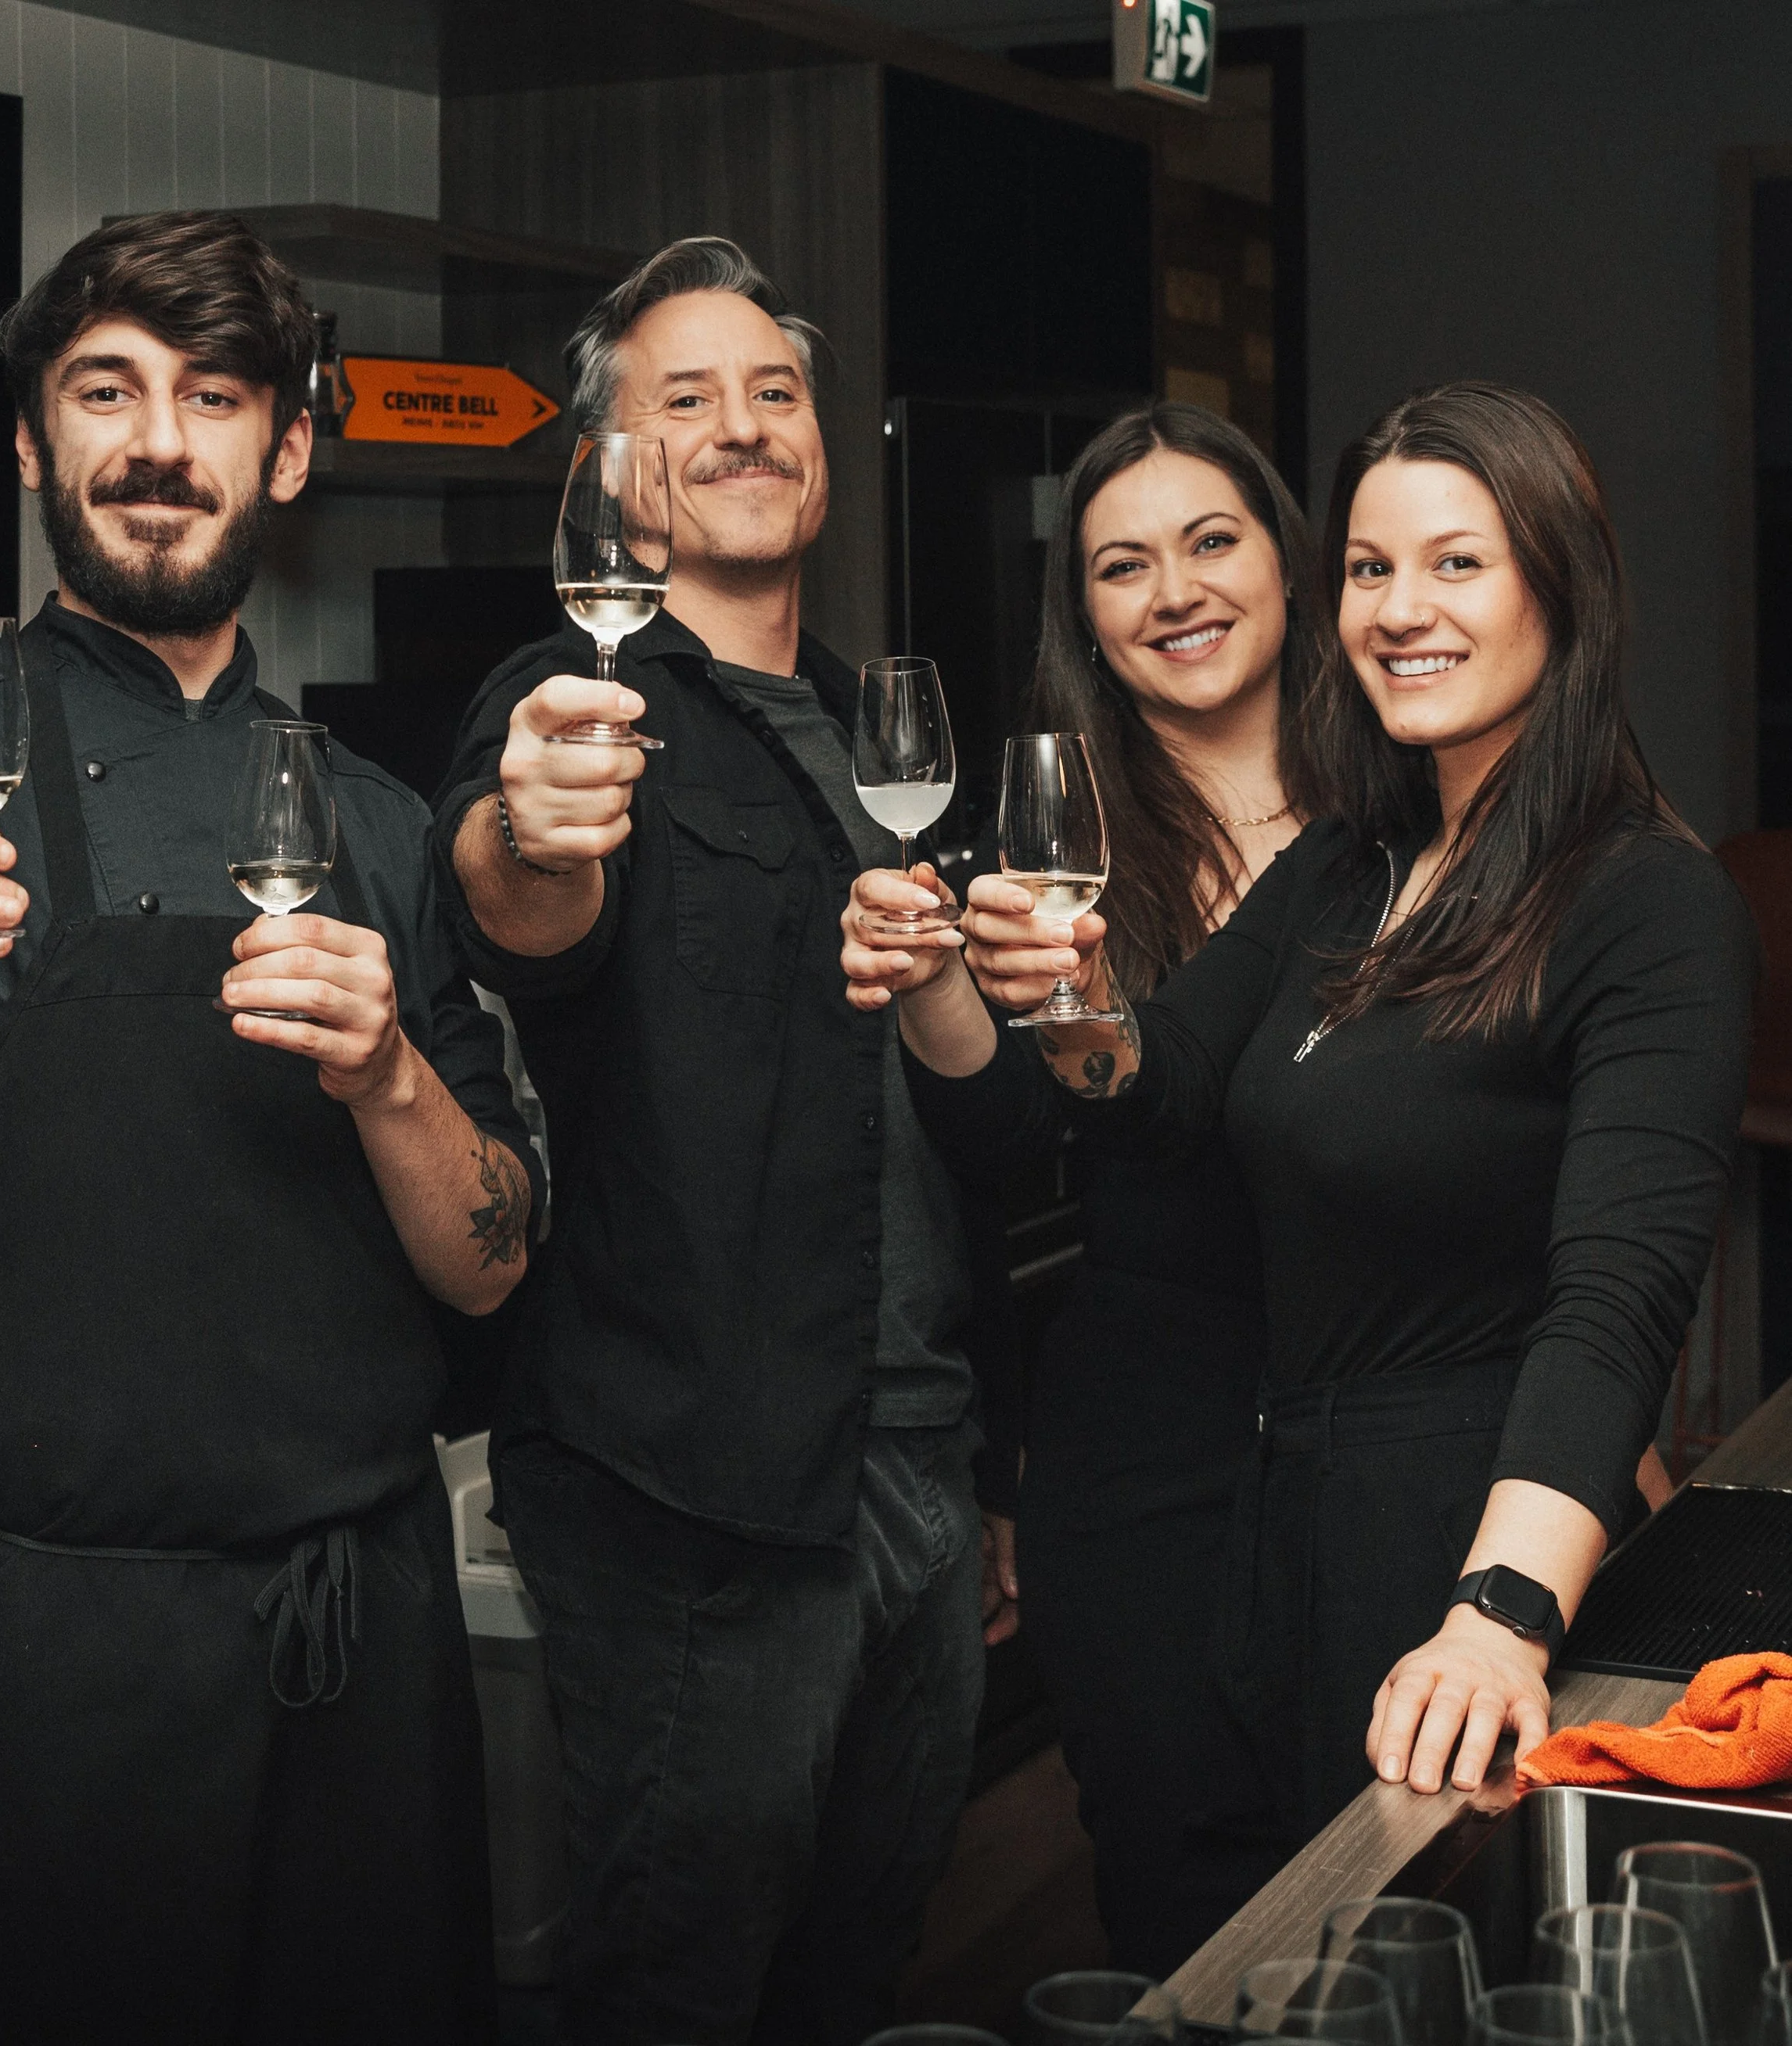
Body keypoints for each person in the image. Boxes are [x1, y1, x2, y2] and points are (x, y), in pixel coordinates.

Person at [0, 211, 540, 2044]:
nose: (158, 441)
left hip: (360, 1659)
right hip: (29, 1666)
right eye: (106, 390)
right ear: (29, 440)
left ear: (287, 449)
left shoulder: (380, 824)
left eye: (213, 395)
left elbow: (489, 1269)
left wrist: (391, 1078)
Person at [874, 382, 1755, 1844]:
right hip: (1290, 1530)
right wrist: (1062, 993)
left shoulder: (1649, 901)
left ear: (1564, 587)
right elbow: (1160, 1093)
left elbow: (1617, 1298)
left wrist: (1502, 1612)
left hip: (1462, 1533)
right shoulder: (1357, 857)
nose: (1401, 609)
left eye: (1456, 562)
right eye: (1371, 567)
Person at [435, 236, 996, 2046]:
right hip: (693, 1490)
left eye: (775, 394)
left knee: (856, 1969)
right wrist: (523, 831)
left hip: (910, 1454)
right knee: (672, 1993)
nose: (746, 428)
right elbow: (520, 905)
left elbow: (938, 1117)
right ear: (604, 470)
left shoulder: (869, 726)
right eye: (686, 401)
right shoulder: (570, 708)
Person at [843, 402, 1313, 1972]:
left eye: (1208, 542)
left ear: (1288, 563)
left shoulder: (1414, 816)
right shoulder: (1045, 841)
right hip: (1142, 1447)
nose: (1170, 590)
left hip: (1381, 1409)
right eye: (1121, 566)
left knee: (1406, 1877)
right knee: (1185, 1899)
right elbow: (991, 1151)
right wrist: (929, 984)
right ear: (1088, 627)